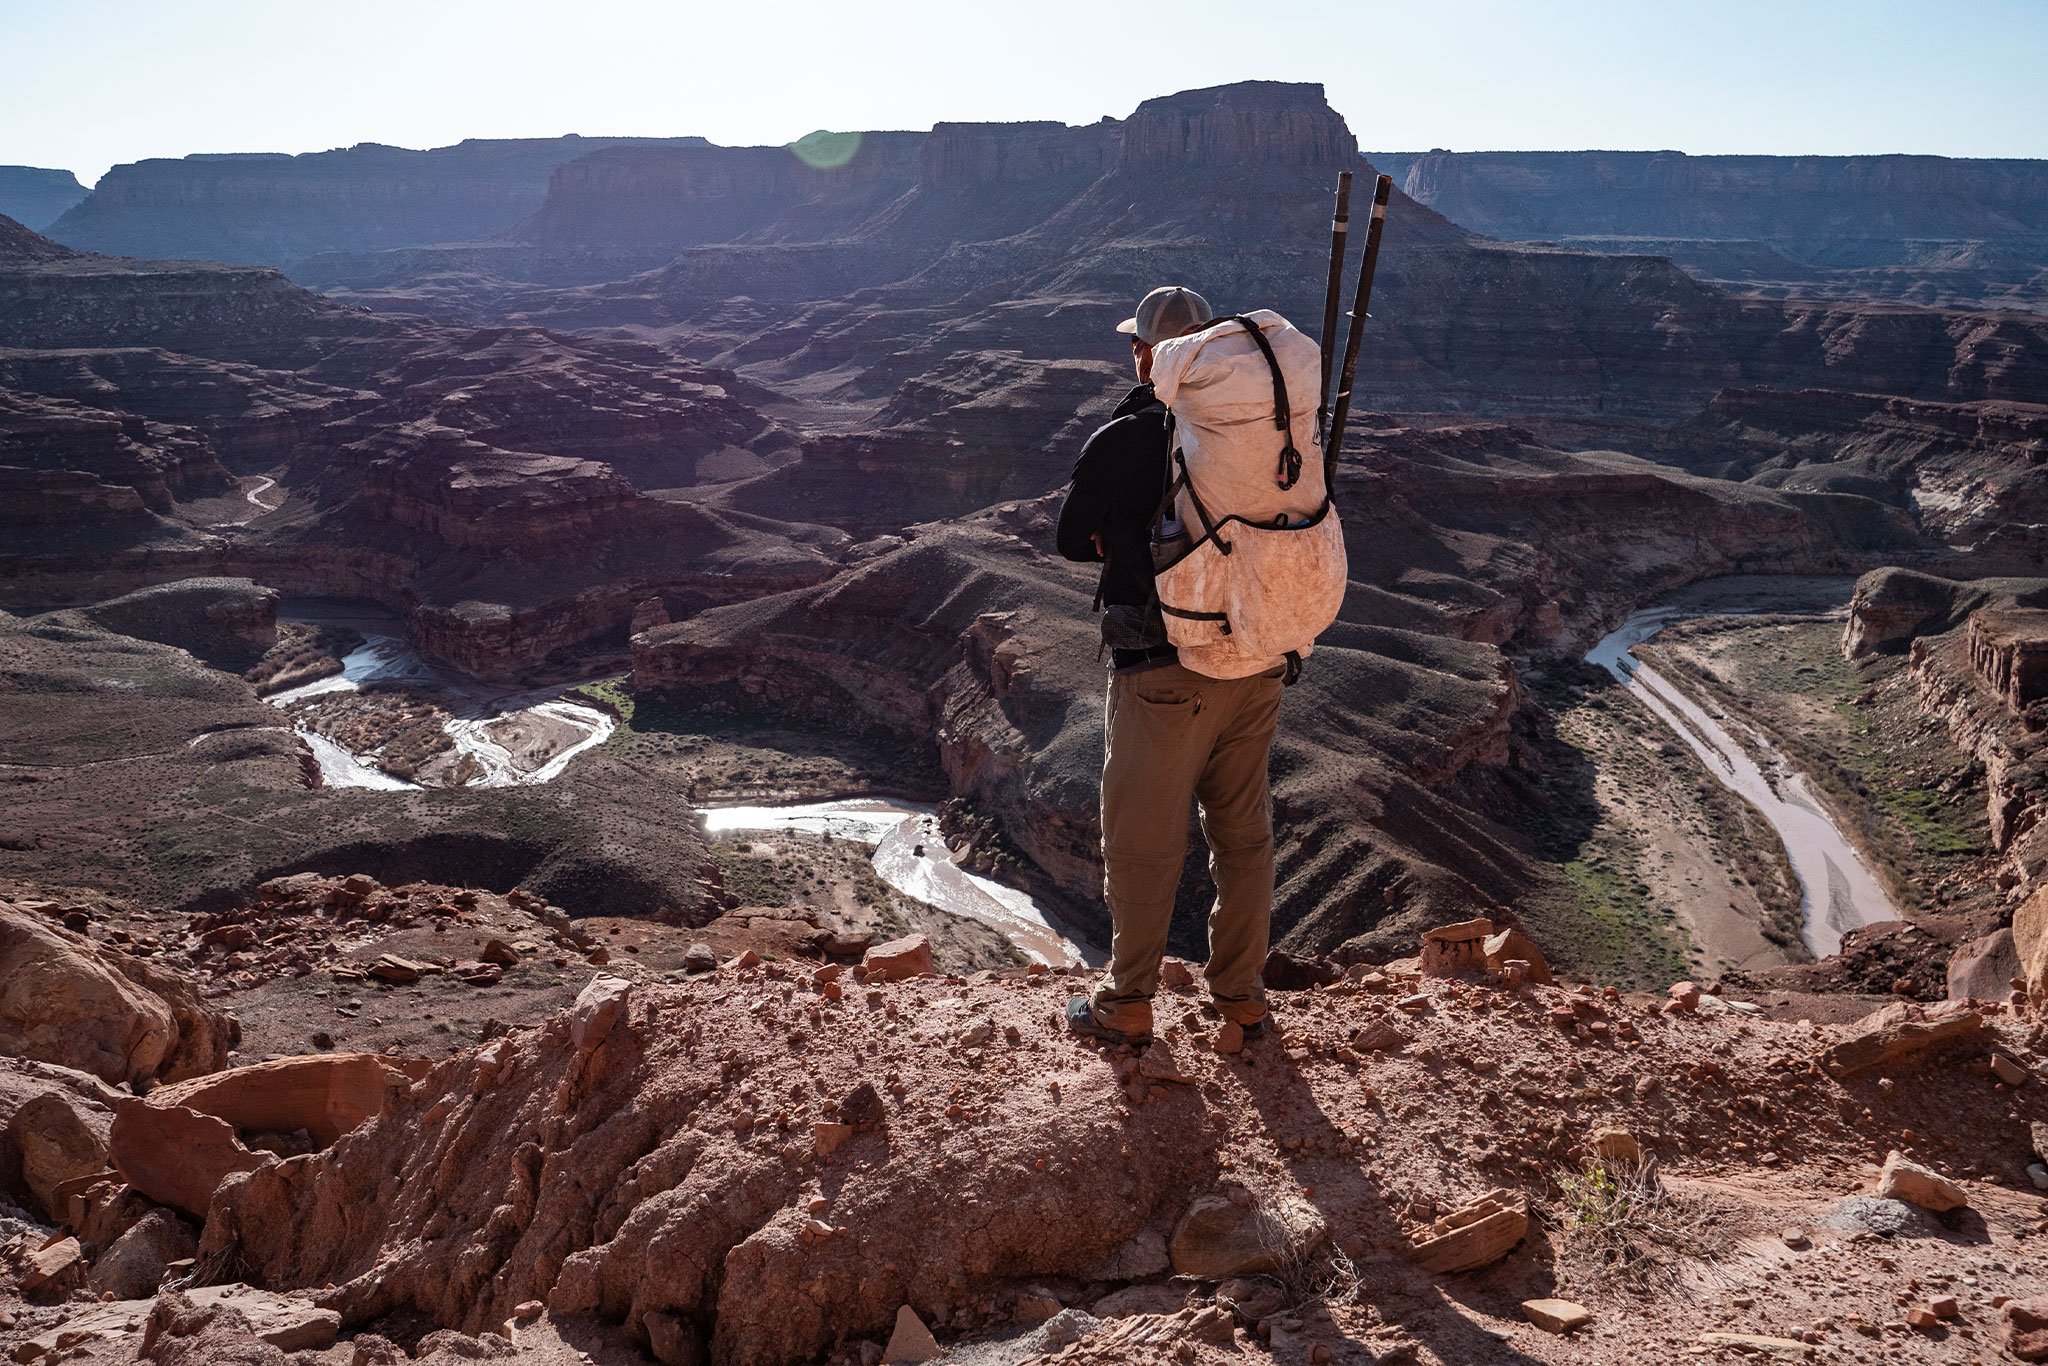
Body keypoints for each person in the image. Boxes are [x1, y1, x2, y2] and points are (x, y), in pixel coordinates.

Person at [1055, 285, 1289, 1045]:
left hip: (1164, 670)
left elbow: (1068, 537)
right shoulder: (1261, 432)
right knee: (1243, 837)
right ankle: (1242, 998)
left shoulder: (1128, 437)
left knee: (1143, 842)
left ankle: (1127, 1003)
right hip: (1255, 661)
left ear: (1143, 353)